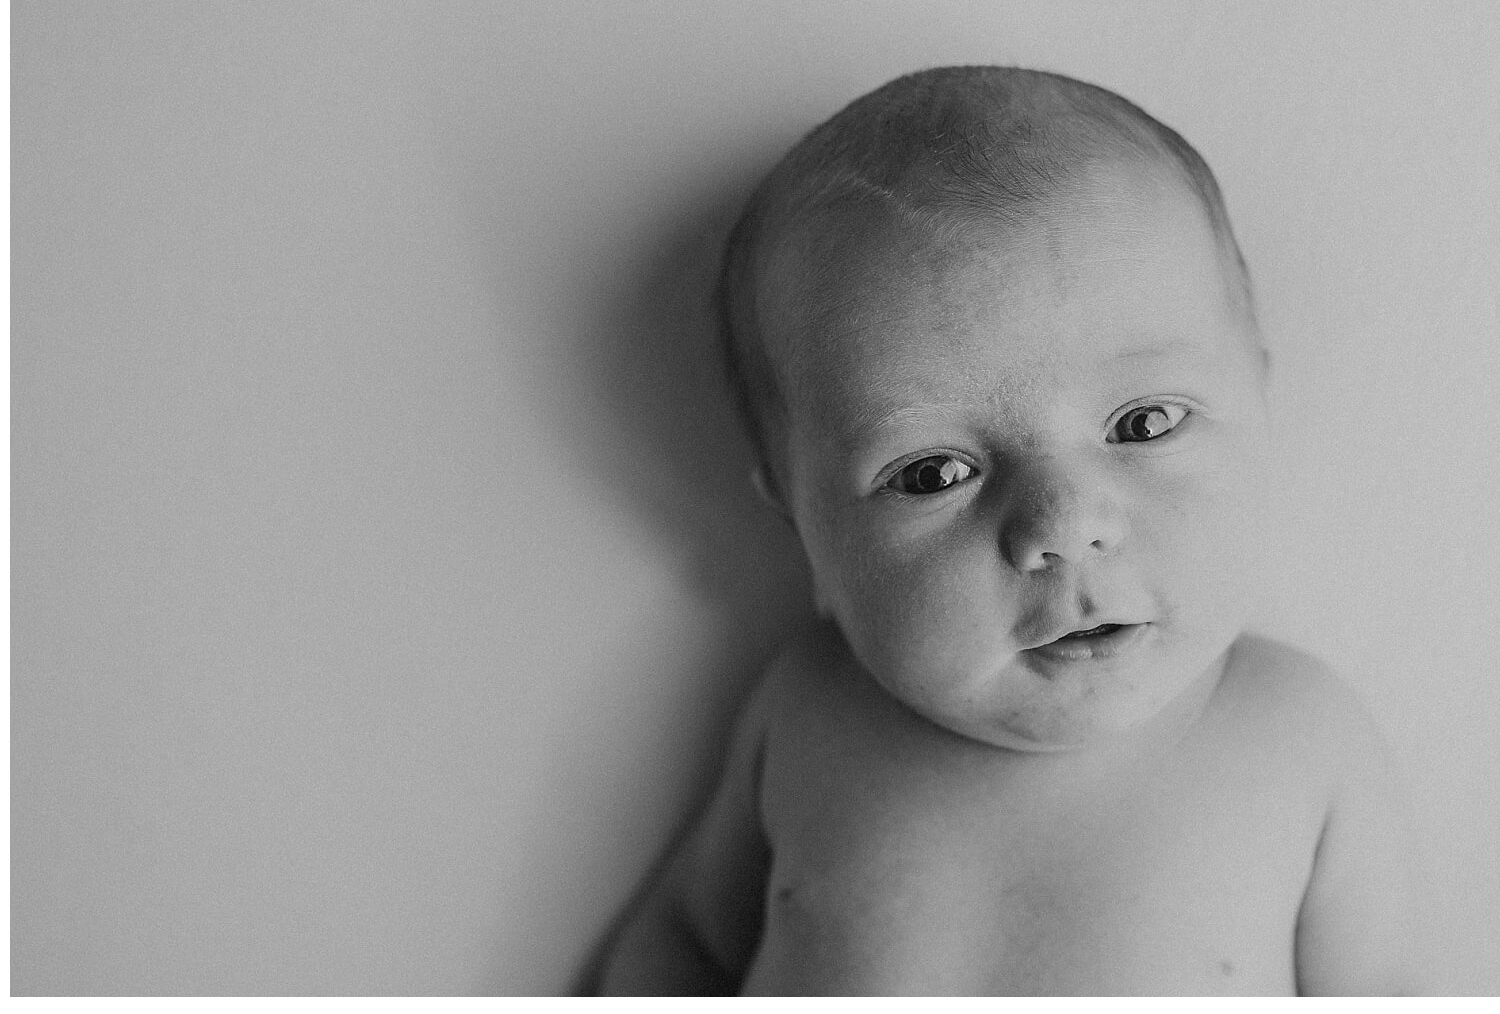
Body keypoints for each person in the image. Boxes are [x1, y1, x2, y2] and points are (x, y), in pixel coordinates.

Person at [597, 67, 1422, 994]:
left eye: (1144, 423)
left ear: (1259, 394)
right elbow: (683, 940)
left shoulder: (1294, 736)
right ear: (798, 518)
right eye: (933, 473)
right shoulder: (808, 713)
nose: (1063, 527)